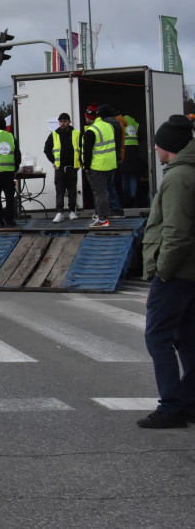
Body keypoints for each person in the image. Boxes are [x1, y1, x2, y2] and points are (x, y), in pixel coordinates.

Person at [137, 115, 195, 429]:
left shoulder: (178, 178)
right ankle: (190, 402)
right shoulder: (189, 172)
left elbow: (177, 231)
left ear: (168, 147)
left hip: (177, 273)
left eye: (158, 143)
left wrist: (162, 271)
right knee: (187, 339)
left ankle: (171, 405)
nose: (155, 148)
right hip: (191, 271)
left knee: (158, 336)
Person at [82, 102, 117, 228]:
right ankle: (99, 214)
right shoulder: (109, 126)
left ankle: (102, 219)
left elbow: (87, 152)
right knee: (104, 192)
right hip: (109, 165)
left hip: (97, 166)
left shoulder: (91, 131)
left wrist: (86, 167)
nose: (85, 119)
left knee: (99, 193)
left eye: (86, 117)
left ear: (90, 117)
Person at [43, 112, 80, 223]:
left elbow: (82, 150)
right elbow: (46, 149)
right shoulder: (54, 134)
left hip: (72, 167)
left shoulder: (76, 134)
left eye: (64, 121)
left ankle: (72, 211)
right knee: (60, 190)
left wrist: (80, 163)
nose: (62, 123)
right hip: (59, 168)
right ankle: (60, 212)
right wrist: (53, 161)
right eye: (60, 121)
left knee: (72, 190)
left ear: (69, 122)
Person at [98, 104, 126, 217]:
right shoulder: (119, 123)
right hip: (118, 158)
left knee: (108, 185)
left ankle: (116, 208)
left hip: (109, 159)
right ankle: (117, 208)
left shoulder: (107, 125)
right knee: (114, 185)